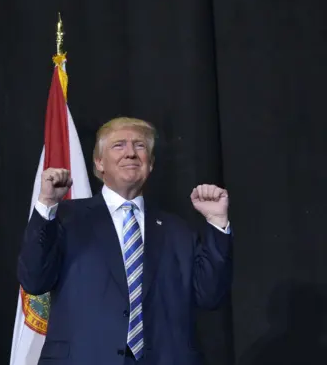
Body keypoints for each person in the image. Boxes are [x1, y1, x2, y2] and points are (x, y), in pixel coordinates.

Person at [17, 117, 232, 365]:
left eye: (139, 146)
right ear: (99, 163)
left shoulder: (177, 230)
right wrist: (46, 206)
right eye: (119, 145)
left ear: (150, 164)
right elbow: (33, 279)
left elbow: (210, 295)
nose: (130, 153)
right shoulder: (66, 219)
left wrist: (217, 222)